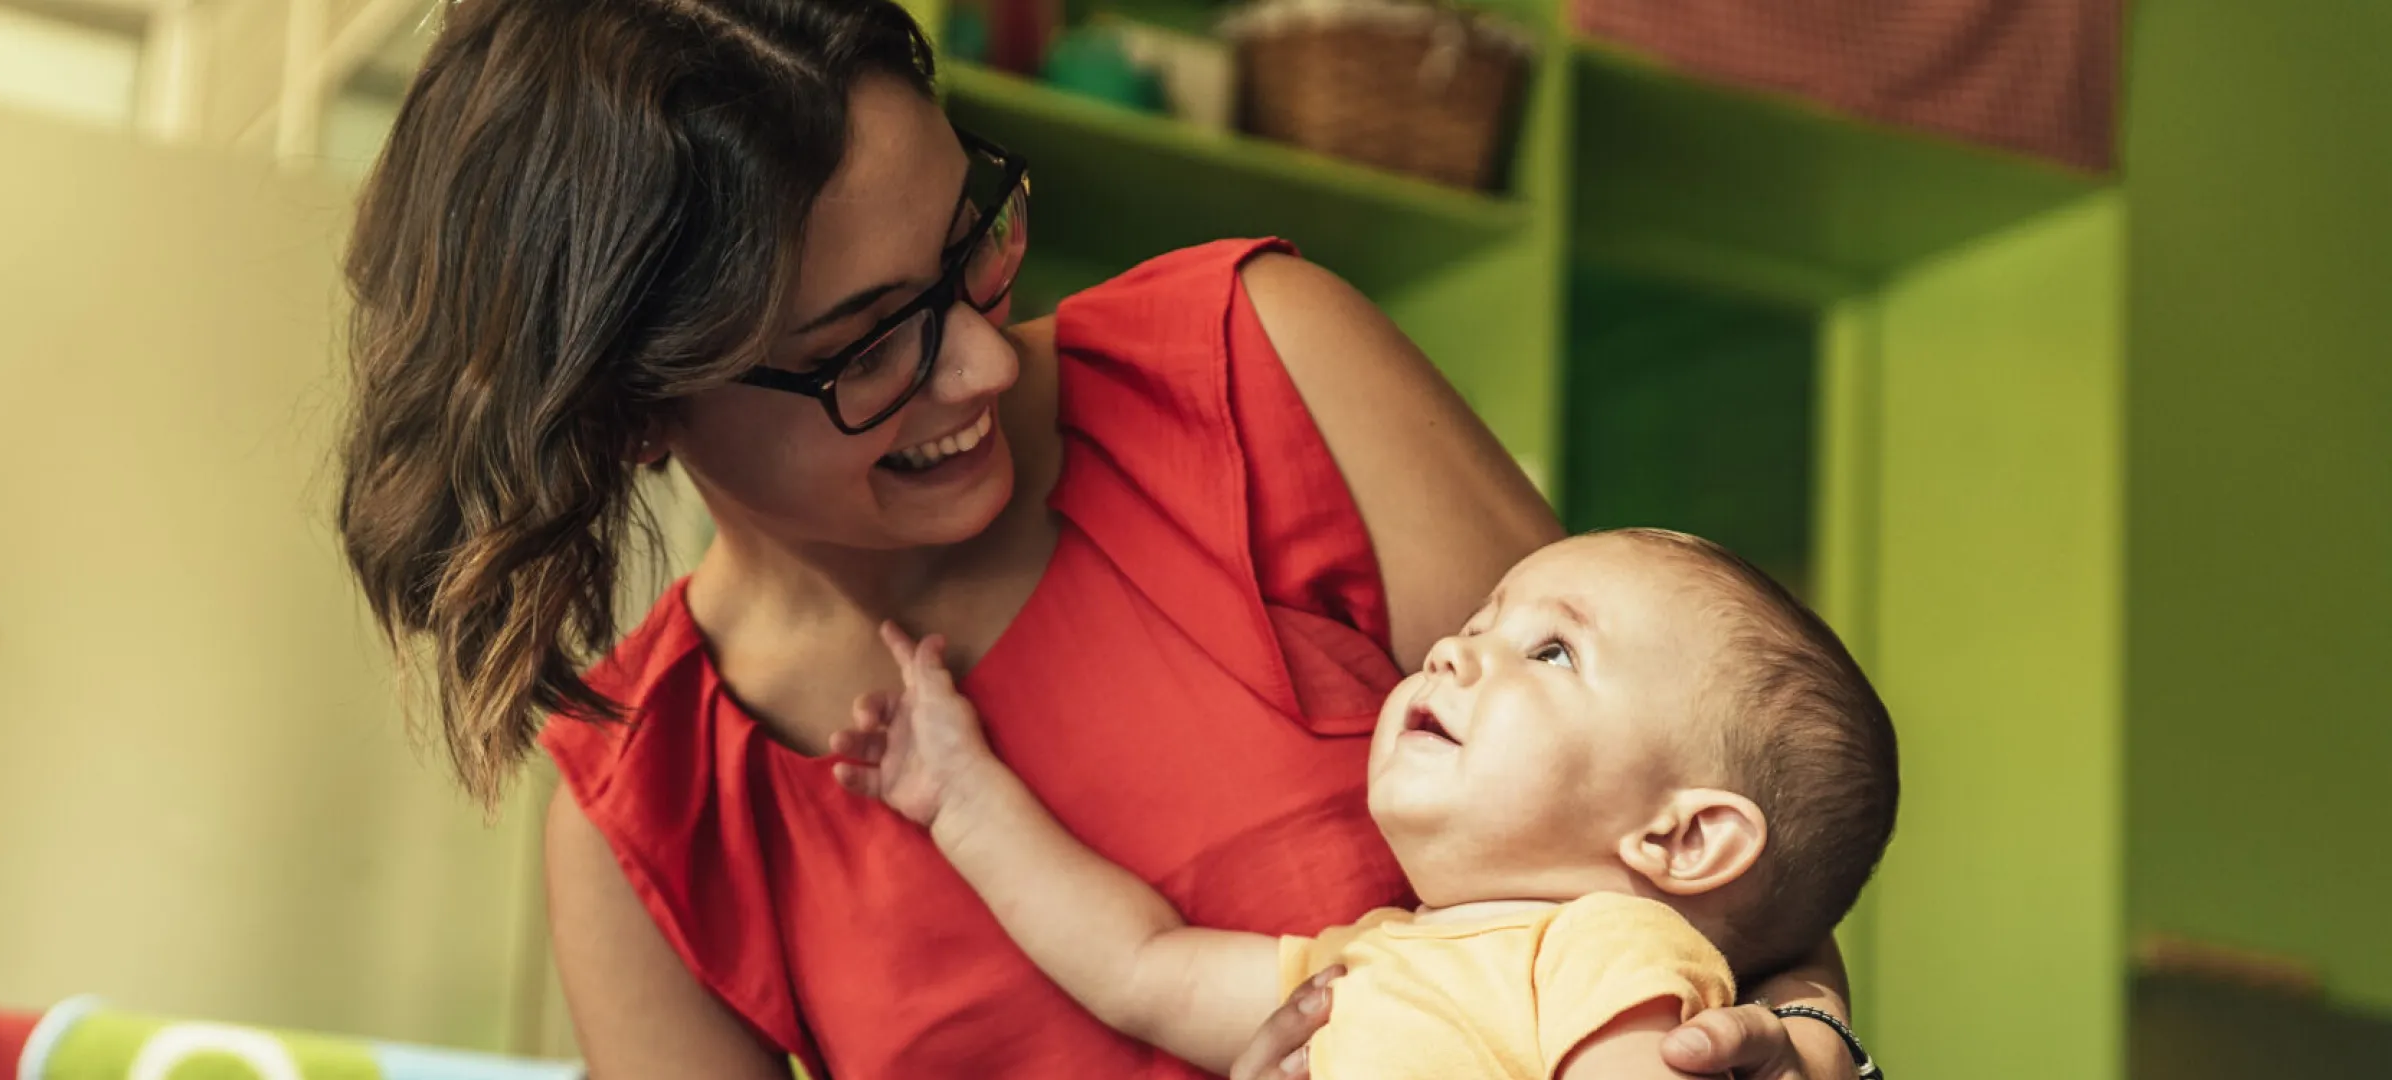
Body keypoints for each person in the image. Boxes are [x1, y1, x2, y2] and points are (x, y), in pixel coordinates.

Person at [332, 1, 1861, 1076]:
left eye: (970, 243)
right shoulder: (653, 817)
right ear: (630, 416)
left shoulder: (1261, 366)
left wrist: (1798, 1039)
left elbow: (1712, 809)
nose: (988, 364)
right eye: (873, 344)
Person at [829, 529, 1898, 1079]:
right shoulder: (1373, 961)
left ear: (1681, 835)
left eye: (1553, 648)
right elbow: (1140, 966)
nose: (1455, 647)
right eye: (1483, 617)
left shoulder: (1608, 955)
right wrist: (962, 799)